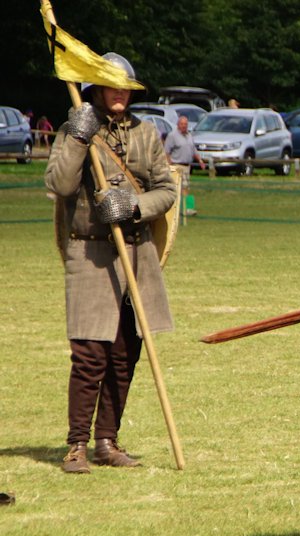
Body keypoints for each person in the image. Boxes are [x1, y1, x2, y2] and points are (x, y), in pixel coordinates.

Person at [45, 52, 176, 474]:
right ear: (95, 88)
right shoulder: (74, 129)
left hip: (136, 250)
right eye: (111, 85)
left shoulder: (146, 133)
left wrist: (133, 206)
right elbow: (60, 184)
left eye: (125, 87)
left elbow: (165, 190)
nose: (119, 93)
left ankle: (107, 440)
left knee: (126, 352)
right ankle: (77, 445)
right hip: (90, 252)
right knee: (89, 354)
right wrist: (79, 137)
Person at [164, 115, 205, 216]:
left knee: (186, 188)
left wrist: (200, 160)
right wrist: (169, 165)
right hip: (177, 166)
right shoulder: (172, 136)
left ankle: (188, 209)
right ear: (178, 125)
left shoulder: (189, 135)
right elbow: (166, 152)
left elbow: (193, 149)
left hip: (187, 166)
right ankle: (177, 209)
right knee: (177, 189)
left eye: (185, 124)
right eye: (182, 124)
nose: (184, 126)